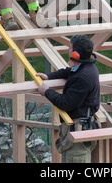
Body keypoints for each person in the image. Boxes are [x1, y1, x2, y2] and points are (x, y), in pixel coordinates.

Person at [37, 35, 100, 163]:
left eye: (70, 47)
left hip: (79, 132)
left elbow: (65, 103)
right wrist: (48, 76)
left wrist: (47, 92)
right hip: (75, 130)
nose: (68, 49)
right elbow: (68, 72)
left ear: (76, 54)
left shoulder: (83, 77)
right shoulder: (85, 68)